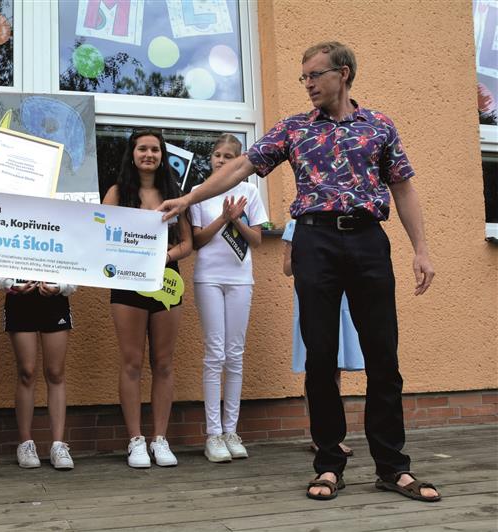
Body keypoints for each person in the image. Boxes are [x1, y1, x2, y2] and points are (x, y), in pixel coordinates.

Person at [159, 42, 440, 502]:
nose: (307, 84)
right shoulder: (293, 129)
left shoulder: (379, 126)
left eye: (315, 75)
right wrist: (190, 198)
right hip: (315, 240)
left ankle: (393, 466)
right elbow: (242, 167)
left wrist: (421, 249)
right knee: (320, 356)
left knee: (383, 358)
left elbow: (403, 189)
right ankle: (329, 464)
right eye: (302, 77)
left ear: (343, 74)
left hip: (369, 239)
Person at [102, 129, 192, 468]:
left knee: (164, 363)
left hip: (167, 283)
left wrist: (165, 257)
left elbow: (187, 244)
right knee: (131, 362)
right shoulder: (117, 192)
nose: (149, 154)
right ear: (133, 153)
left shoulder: (174, 193)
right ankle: (135, 441)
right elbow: (100, 233)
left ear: (162, 155)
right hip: (126, 285)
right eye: (142, 149)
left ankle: (160, 439)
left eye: (155, 149)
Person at [189, 133, 268, 463]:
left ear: (240, 162)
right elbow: (197, 242)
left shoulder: (249, 192)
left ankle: (231, 430)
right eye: (217, 155)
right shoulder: (198, 193)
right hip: (209, 278)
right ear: (211, 158)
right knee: (215, 352)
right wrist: (223, 217)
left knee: (235, 353)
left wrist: (238, 219)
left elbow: (258, 241)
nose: (221, 160)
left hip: (240, 280)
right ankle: (213, 434)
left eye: (229, 156)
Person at [282, 218, 363, 456]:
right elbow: (286, 268)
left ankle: (332, 435)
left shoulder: (344, 222)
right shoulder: (294, 226)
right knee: (317, 367)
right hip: (314, 299)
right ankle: (320, 436)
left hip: (342, 300)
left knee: (335, 368)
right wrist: (311, 258)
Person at [1, 278, 77, 470]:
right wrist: (11, 284)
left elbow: (77, 268)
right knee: (26, 372)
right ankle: (25, 443)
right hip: (19, 300)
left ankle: (58, 445)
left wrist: (61, 286)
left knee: (55, 372)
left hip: (55, 300)